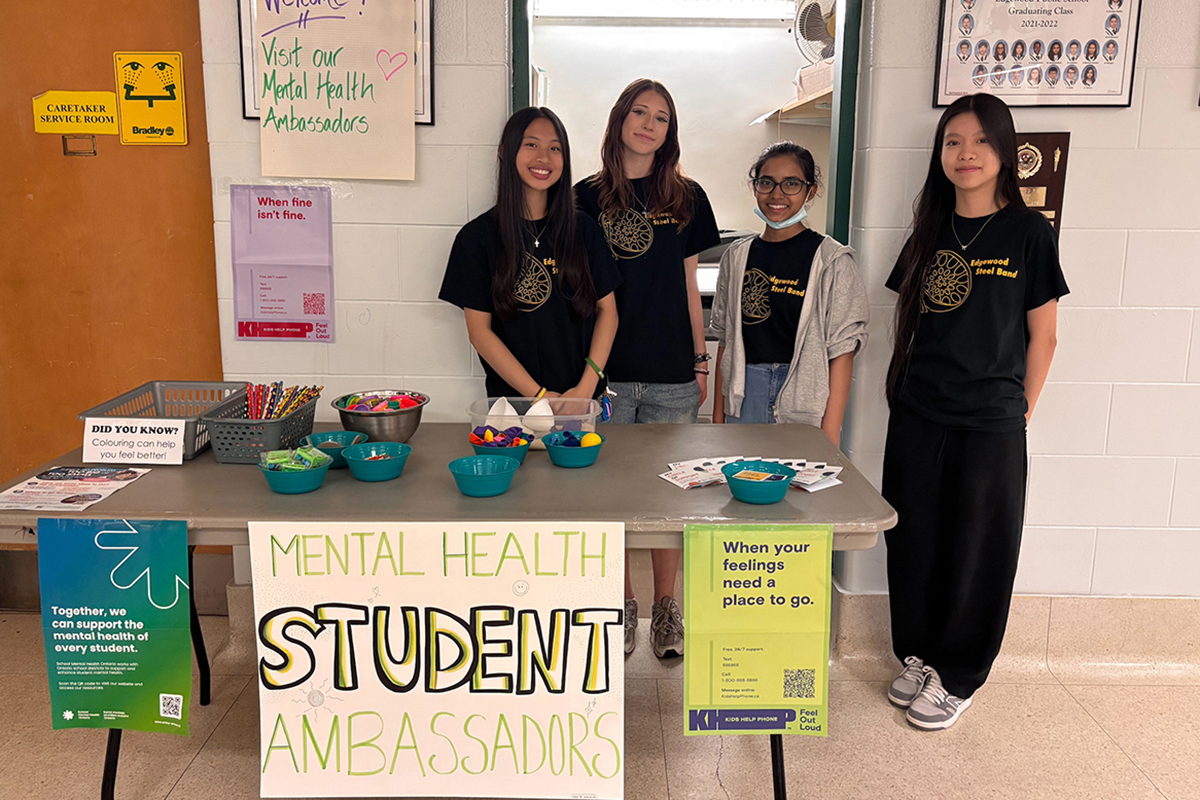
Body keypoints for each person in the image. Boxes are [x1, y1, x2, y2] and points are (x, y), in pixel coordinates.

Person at [882, 93, 1068, 731]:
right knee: (914, 541)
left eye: (981, 140)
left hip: (990, 422)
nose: (966, 154)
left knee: (977, 550)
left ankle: (958, 675)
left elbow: (1044, 337)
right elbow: (911, 323)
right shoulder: (929, 231)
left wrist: (1020, 414)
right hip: (917, 414)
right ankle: (918, 654)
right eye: (953, 141)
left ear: (1004, 151)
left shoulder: (1029, 233)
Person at [575, 78, 720, 660]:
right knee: (607, 497)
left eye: (661, 117)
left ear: (669, 132)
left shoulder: (687, 197)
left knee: (670, 498)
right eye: (640, 112)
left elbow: (688, 284)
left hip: (670, 372)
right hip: (606, 375)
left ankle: (665, 607)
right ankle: (622, 604)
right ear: (620, 119)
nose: (649, 124)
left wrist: (700, 358)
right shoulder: (583, 198)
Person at [439, 107, 621, 408]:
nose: (544, 158)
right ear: (505, 151)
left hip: (582, 402)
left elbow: (608, 312)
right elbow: (480, 332)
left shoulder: (584, 229)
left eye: (555, 148)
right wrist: (538, 396)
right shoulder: (476, 239)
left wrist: (585, 389)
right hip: (514, 406)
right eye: (531, 144)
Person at [710, 142, 867, 437]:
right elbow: (724, 340)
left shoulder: (832, 260)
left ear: (811, 191)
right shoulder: (737, 256)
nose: (777, 194)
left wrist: (830, 434)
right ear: (755, 187)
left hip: (804, 402)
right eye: (767, 182)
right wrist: (719, 418)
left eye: (791, 183)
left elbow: (843, 351)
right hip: (744, 398)